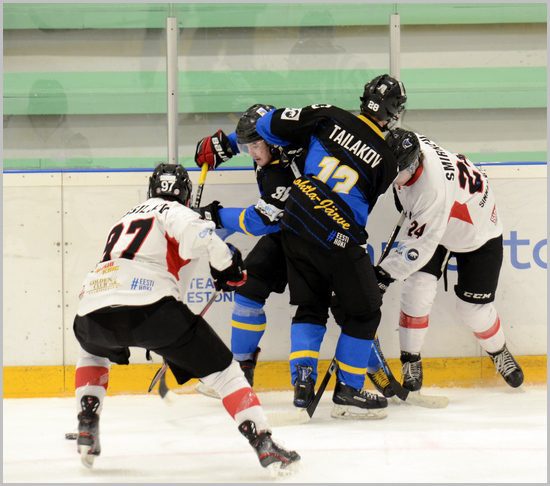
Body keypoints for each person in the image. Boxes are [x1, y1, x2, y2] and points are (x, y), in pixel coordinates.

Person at [72, 163, 300, 474]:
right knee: (225, 374)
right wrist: (228, 269)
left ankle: (87, 422)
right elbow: (205, 238)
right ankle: (263, 442)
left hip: (91, 308)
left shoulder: (125, 218)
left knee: (92, 352)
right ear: (186, 194)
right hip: (152, 310)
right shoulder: (177, 212)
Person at [252, 74, 407, 419]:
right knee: (365, 312)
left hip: (295, 222)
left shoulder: (329, 115)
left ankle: (302, 382)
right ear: (394, 112)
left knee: (310, 306)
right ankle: (348, 389)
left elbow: (266, 125)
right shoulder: (388, 160)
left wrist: (299, 142)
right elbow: (361, 203)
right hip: (337, 236)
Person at [372, 128, 524, 394]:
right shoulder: (410, 145)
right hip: (442, 221)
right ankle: (411, 359)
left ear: (413, 164)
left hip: (477, 234)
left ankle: (498, 350)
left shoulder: (432, 192)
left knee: (473, 311)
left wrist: (382, 277)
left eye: (396, 172)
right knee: (417, 288)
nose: (391, 178)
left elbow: (417, 249)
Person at [193, 104, 303, 392]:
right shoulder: (270, 143)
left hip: (314, 243)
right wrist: (223, 145)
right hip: (284, 234)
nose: (251, 153)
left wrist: (216, 216)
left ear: (274, 142)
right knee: (247, 292)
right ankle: (240, 372)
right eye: (248, 147)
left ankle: (370, 370)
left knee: (345, 308)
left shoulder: (286, 169)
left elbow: (259, 222)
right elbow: (252, 133)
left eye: (255, 146)